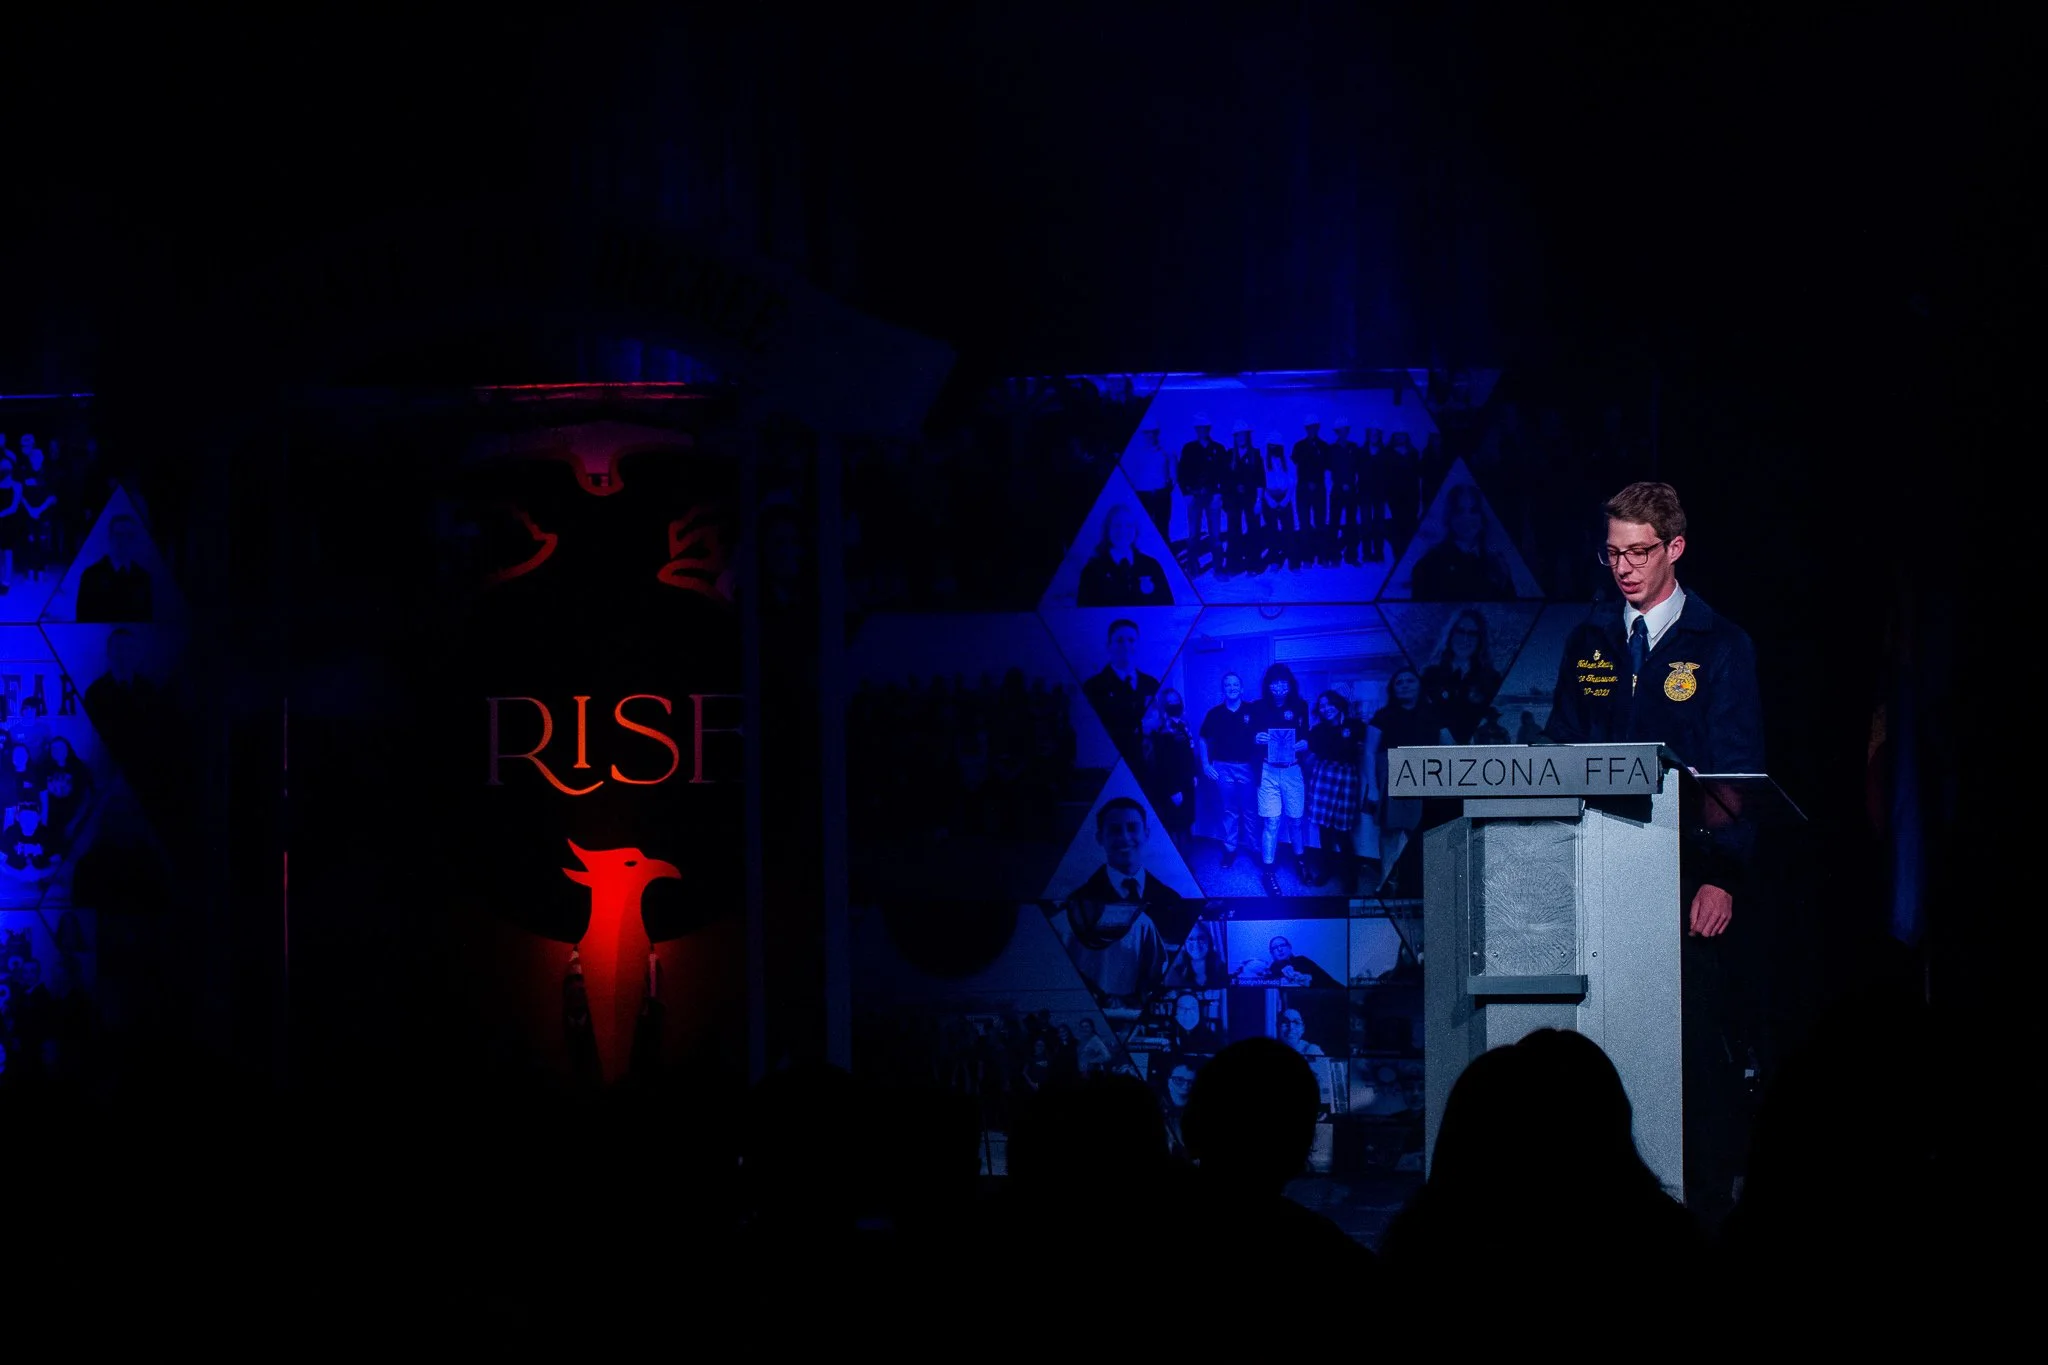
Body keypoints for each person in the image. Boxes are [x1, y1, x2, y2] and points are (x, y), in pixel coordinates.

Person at [1544, 481, 1765, 1217]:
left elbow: (1736, 775)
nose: (1624, 568)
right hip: (1597, 874)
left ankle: (1699, 1219)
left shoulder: (1722, 645)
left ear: (1674, 547)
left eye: (1639, 552)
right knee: (1597, 1053)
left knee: (1692, 1056)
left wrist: (1722, 877)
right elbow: (1561, 751)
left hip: (1682, 885)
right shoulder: (1590, 641)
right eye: (1612, 554)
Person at [1363, 668, 1455, 896]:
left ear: (1419, 685)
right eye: (1399, 682)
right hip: (1391, 777)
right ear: (1393, 689)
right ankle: (1386, 881)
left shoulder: (1435, 713)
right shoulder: (1383, 715)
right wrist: (1373, 788)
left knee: (1420, 833)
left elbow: (1450, 747)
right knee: (1390, 833)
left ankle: (1415, 884)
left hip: (1425, 778)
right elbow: (1368, 752)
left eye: (1410, 681)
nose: (1404, 685)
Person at [1246, 662, 1311, 897]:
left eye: (1283, 681)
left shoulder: (1300, 705)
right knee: (1271, 822)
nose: (1279, 687)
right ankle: (1268, 870)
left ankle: (1301, 861)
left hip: (1293, 770)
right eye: (1274, 682)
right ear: (1268, 685)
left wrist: (1305, 743)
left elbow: (1305, 736)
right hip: (1268, 771)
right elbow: (1248, 736)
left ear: (1290, 684)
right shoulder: (1257, 707)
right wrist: (1256, 737)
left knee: (1295, 820)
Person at [1197, 672, 1261, 870]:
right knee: (1229, 810)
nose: (1231, 687)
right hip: (1222, 767)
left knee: (1250, 810)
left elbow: (1263, 734)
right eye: (1227, 684)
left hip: (1247, 767)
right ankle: (1230, 850)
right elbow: (1202, 738)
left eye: (1235, 684)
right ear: (1223, 689)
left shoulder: (1252, 710)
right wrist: (1206, 765)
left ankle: (1256, 849)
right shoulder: (1214, 714)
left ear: (1241, 689)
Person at [1047, 899, 1166, 1003]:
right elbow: (1156, 975)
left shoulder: (1058, 922)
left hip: (1076, 1011)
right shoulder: (1142, 922)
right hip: (1120, 1016)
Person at [1410, 484, 1515, 600]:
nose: (1467, 518)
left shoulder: (1497, 563)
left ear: (1482, 517)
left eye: (1474, 510)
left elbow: (1514, 611)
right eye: (1459, 511)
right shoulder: (1428, 565)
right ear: (1449, 517)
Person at [1071, 796, 1183, 904]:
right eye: (1115, 830)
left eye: (1132, 828)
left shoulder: (1171, 899)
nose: (1125, 838)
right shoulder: (1077, 901)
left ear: (1146, 834)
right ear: (1100, 838)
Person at [1305, 690, 1365, 893]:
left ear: (1338, 704)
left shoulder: (1355, 726)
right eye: (1321, 706)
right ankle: (1326, 870)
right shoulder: (1317, 730)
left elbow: (1365, 751)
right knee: (1325, 830)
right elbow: (1312, 757)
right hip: (1324, 776)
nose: (1326, 708)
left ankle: (1350, 875)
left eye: (1329, 704)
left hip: (1347, 778)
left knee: (1343, 831)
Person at [1419, 609, 1504, 744]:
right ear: (1450, 634)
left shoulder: (1492, 679)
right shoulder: (1429, 676)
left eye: (1472, 634)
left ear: (1480, 640)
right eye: (1460, 631)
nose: (1465, 639)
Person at [1081, 618, 1158, 761]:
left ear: (1137, 644)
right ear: (1109, 646)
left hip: (1147, 763)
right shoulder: (1092, 687)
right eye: (1120, 640)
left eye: (1131, 640)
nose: (1126, 645)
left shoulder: (1152, 684)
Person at [1076, 503, 1174, 607]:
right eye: (1117, 525)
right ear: (1107, 530)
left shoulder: (1152, 566)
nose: (1123, 531)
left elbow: (1168, 608)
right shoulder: (1092, 571)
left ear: (1136, 531)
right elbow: (1084, 616)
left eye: (1129, 526)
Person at [1142, 688, 1199, 851]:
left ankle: (1185, 860)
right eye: (1170, 702)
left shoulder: (1182, 725)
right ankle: (1180, 867)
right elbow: (1162, 763)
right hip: (1173, 786)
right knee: (1176, 825)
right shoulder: (1161, 731)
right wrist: (1173, 790)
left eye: (1176, 701)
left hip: (1186, 782)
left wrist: (1193, 774)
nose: (1174, 704)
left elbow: (1188, 753)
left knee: (1186, 820)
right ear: (1164, 705)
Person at [73, 511, 155, 622]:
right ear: (110, 537)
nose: (123, 541)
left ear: (134, 540)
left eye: (129, 536)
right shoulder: (91, 576)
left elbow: (147, 621)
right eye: (119, 535)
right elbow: (83, 620)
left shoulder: (143, 578)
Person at [1176, 414, 1226, 575]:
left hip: (1213, 496)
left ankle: (1218, 568)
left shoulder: (1218, 449)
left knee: (1215, 534)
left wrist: (1220, 493)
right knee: (1193, 534)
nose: (1202, 430)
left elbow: (1224, 473)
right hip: (1194, 496)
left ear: (1209, 429)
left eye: (1205, 427)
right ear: (1196, 430)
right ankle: (1193, 567)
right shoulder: (1189, 448)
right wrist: (1186, 494)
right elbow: (1181, 473)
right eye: (1199, 428)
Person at [1218, 422, 1261, 578]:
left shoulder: (1255, 454)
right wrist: (1224, 500)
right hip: (1233, 499)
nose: (1241, 438)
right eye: (1238, 435)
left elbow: (1260, 480)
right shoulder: (1229, 455)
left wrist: (1259, 501)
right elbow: (1224, 479)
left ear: (1247, 436)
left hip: (1251, 497)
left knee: (1253, 529)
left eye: (1244, 434)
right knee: (1233, 530)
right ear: (1235, 437)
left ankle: (1253, 564)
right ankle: (1233, 565)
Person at [1292, 417, 1331, 568]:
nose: (1312, 430)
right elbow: (1297, 463)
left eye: (1314, 427)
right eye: (1309, 427)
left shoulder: (1324, 446)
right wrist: (1307, 482)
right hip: (1303, 489)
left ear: (1318, 428)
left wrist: (1315, 482)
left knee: (1320, 522)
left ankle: (1322, 556)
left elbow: (1326, 465)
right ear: (1306, 429)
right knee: (1305, 524)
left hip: (1319, 489)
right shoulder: (1299, 445)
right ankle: (1307, 557)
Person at [1256, 435, 1297, 573]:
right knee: (1272, 530)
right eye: (1271, 446)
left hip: (1285, 497)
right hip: (1270, 499)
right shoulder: (1263, 463)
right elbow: (1261, 482)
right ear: (1268, 447)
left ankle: (1293, 559)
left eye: (1276, 446)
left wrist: (1286, 500)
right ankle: (1274, 559)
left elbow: (1292, 482)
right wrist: (1269, 500)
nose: (1274, 449)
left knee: (1289, 529)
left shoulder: (1288, 462)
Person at [1128, 421, 1175, 539]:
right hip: (1143, 495)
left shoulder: (1166, 451)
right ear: (1143, 434)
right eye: (1146, 433)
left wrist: (1166, 488)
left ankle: (1165, 553)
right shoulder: (1136, 453)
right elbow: (1131, 474)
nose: (1150, 435)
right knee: (1144, 526)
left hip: (1162, 493)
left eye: (1152, 432)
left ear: (1157, 433)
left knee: (1163, 525)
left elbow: (1174, 474)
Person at [41, 737, 92, 842]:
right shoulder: (45, 768)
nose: (57, 751)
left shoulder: (79, 768)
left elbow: (86, 799)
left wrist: (74, 822)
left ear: (68, 749)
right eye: (54, 748)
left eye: (61, 748)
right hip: (51, 819)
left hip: (73, 818)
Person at [1, 800, 63, 885]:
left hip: (41, 882)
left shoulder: (46, 834)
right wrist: (18, 874)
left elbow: (58, 863)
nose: (28, 822)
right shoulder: (11, 833)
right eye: (25, 818)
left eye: (32, 818)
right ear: (18, 818)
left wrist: (40, 874)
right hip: (13, 882)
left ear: (38, 817)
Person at [1325, 420, 1361, 566]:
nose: (1343, 433)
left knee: (1351, 523)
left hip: (1352, 490)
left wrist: (1353, 485)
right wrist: (1341, 483)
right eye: (1340, 430)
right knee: (1334, 522)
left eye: (1345, 430)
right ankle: (1334, 555)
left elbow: (1358, 468)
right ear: (1337, 432)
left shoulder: (1354, 447)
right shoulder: (1331, 449)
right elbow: (1330, 468)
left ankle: (1351, 555)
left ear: (1348, 431)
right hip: (1337, 490)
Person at [1162, 921, 1228, 990]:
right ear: (1185, 945)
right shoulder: (1175, 971)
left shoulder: (1222, 968)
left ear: (1209, 942)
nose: (1196, 943)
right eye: (1191, 939)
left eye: (1201, 938)